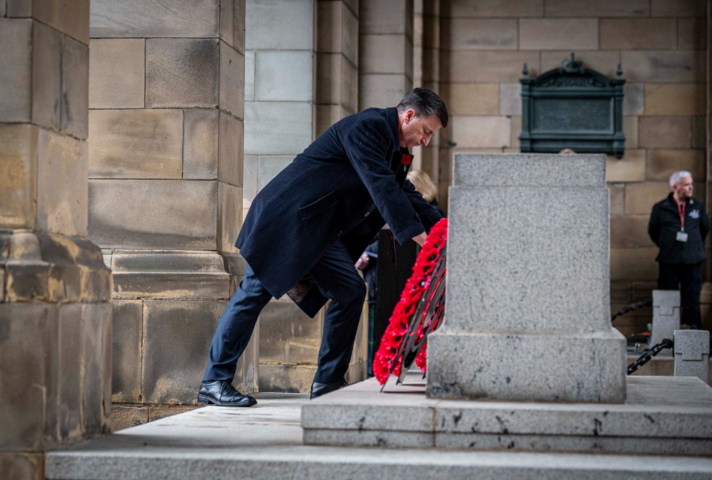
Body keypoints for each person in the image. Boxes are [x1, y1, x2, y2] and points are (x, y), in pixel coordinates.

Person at [198, 88, 447, 406]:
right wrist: (425, 242)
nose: (425, 141)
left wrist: (444, 230)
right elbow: (382, 187)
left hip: (318, 230)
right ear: (409, 115)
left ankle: (328, 382)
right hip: (287, 220)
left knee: (350, 291)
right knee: (252, 294)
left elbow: (406, 192)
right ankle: (214, 381)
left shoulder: (392, 146)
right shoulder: (368, 127)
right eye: (426, 132)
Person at [648, 171, 709, 329]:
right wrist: (668, 246)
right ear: (675, 187)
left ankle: (692, 335)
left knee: (692, 299)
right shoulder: (661, 207)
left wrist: (692, 246)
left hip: (693, 259)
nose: (691, 187)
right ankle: (667, 334)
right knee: (667, 298)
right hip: (669, 259)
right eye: (686, 184)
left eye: (691, 184)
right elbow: (653, 231)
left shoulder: (698, 206)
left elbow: (704, 229)